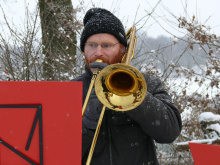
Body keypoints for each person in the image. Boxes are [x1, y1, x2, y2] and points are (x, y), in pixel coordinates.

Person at [73, 8, 182, 165]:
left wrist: (133, 95)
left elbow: (169, 132)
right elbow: (58, 152)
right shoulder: (69, 90)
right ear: (83, 49)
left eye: (106, 45)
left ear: (122, 49)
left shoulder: (146, 84)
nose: (98, 52)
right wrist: (88, 123)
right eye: (91, 45)